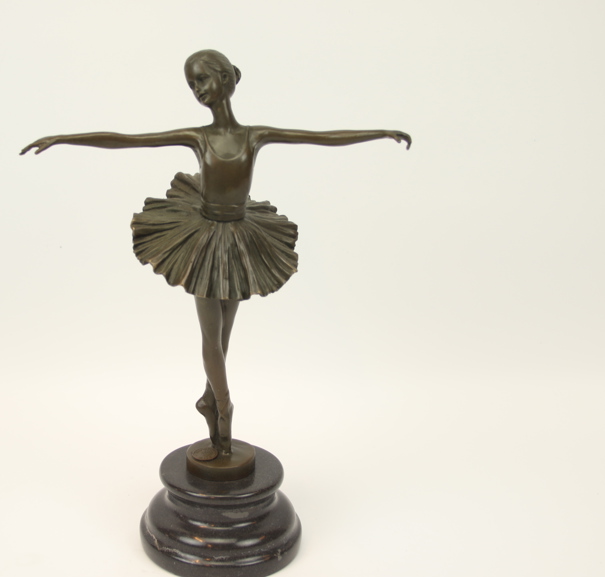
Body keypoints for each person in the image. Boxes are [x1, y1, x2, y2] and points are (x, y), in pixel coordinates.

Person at [21, 49, 411, 460]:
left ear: (225, 79)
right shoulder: (199, 137)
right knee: (211, 336)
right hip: (203, 238)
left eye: (202, 80)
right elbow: (130, 140)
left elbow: (318, 137)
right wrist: (62, 138)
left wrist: (380, 132)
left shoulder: (254, 135)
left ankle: (209, 399)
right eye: (191, 84)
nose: (197, 90)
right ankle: (224, 411)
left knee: (223, 338)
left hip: (240, 238)